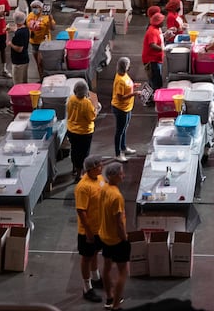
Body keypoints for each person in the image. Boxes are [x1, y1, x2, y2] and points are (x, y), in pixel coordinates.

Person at [74, 155, 108, 302]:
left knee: (95, 252)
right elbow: (81, 211)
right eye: (99, 165)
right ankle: (87, 288)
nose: (102, 167)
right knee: (86, 258)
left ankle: (96, 278)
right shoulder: (83, 187)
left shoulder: (100, 179)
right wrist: (88, 231)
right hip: (88, 230)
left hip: (100, 227)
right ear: (91, 168)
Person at [97, 161, 130, 310]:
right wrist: (124, 238)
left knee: (107, 267)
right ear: (114, 176)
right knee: (123, 271)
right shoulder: (117, 197)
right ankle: (116, 305)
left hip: (104, 235)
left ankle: (109, 298)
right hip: (116, 239)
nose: (124, 175)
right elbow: (119, 222)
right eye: (121, 173)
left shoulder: (104, 188)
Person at [66, 80, 100, 179]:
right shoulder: (87, 104)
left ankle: (74, 168)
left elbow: (69, 110)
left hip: (72, 130)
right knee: (84, 153)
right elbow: (92, 117)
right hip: (84, 133)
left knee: (74, 150)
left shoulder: (71, 99)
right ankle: (79, 174)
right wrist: (96, 108)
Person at [111, 57, 137, 159]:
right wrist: (134, 94)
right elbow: (120, 97)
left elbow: (127, 85)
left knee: (124, 128)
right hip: (120, 109)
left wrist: (133, 86)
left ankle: (124, 147)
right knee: (119, 131)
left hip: (127, 107)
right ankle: (118, 153)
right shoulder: (119, 80)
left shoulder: (124, 75)